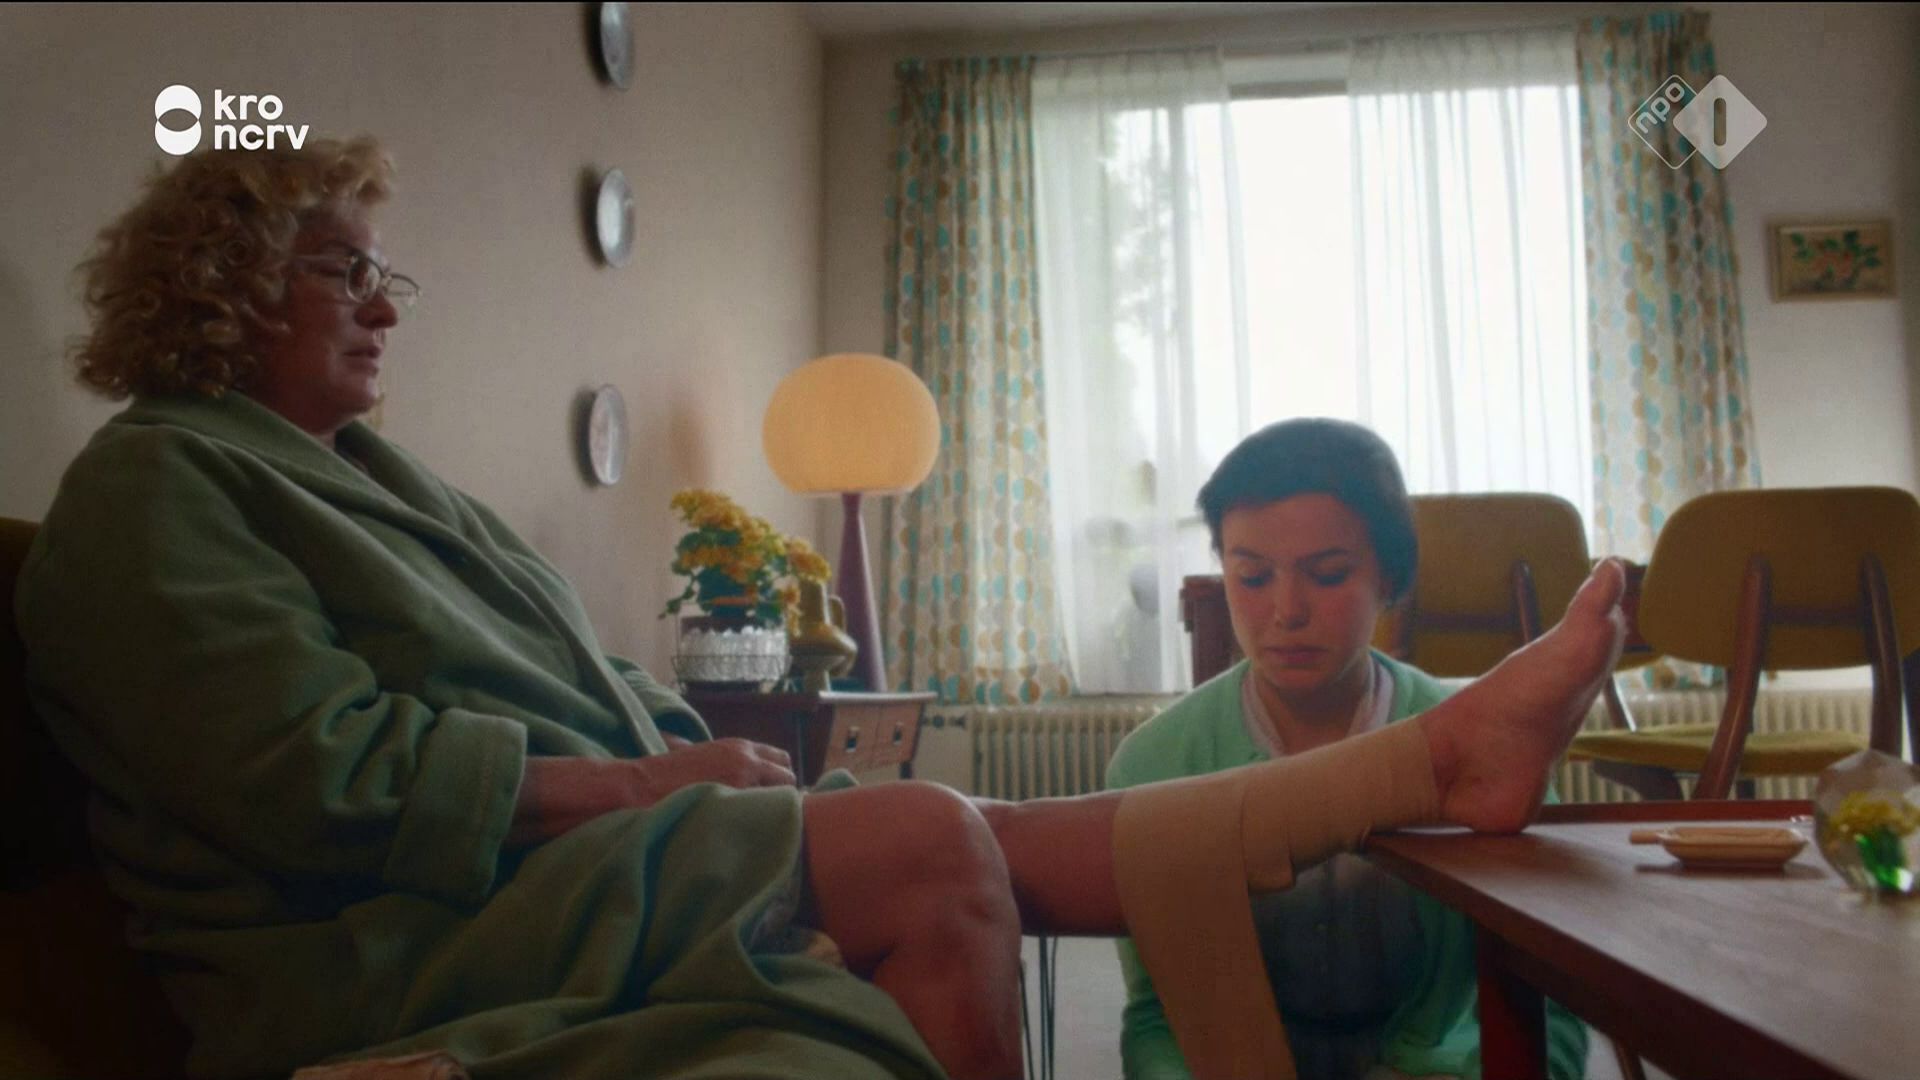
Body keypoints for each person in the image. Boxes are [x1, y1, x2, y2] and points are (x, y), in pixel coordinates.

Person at [14, 136, 1627, 1080]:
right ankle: (1420, 771)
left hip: (574, 872)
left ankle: (1425, 765)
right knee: (934, 840)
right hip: (396, 937)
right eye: (338, 269)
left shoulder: (385, 483)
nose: (381, 307)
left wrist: (692, 753)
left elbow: (593, 679)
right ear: (218, 282)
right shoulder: (151, 490)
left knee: (945, 839)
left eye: (386, 274)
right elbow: (320, 777)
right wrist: (648, 783)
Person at [1105, 419, 1588, 1080]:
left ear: (1390, 578)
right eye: (1252, 576)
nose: (1287, 611)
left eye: (1328, 574)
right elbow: (1160, 1017)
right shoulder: (1155, 767)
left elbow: (1551, 1001)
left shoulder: (1482, 754)